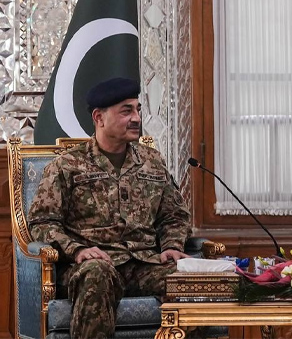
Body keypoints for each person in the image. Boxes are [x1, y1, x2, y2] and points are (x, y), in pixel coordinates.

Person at [27, 77, 192, 339]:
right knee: (97, 274)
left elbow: (174, 214)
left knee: (192, 280)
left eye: (137, 109)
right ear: (99, 118)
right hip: (92, 265)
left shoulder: (151, 160)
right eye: (126, 111)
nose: (136, 118)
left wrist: (172, 245)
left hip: (143, 263)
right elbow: (42, 222)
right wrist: (76, 250)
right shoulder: (67, 165)